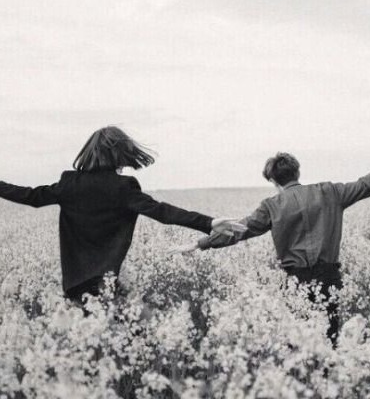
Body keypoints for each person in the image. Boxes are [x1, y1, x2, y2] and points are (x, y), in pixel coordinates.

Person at [172, 152, 370, 347]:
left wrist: (201, 243)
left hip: (295, 281)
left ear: (272, 180)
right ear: (297, 172)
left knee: (296, 344)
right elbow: (366, 184)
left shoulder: (271, 206)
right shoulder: (330, 192)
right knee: (329, 340)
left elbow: (240, 230)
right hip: (329, 277)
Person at [0, 126, 245, 304]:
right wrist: (208, 222)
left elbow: (30, 196)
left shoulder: (69, 183)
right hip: (106, 283)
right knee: (140, 333)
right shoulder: (123, 187)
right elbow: (162, 212)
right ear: (121, 154)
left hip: (74, 286)